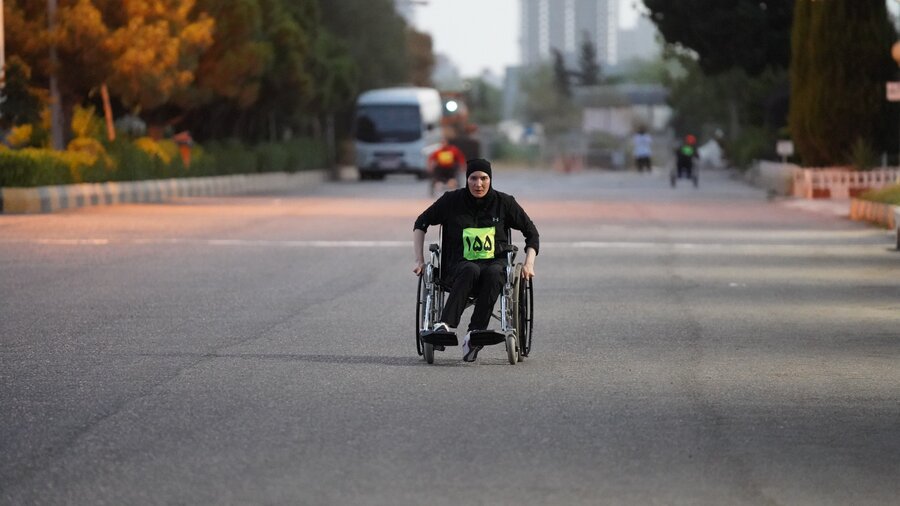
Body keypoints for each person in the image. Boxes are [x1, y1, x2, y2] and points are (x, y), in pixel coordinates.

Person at [413, 158, 539, 362]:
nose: (478, 184)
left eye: (483, 178)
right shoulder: (451, 201)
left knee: (494, 273)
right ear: (466, 179)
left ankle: (475, 334)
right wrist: (419, 260)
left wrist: (529, 264)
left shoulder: (504, 202)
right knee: (470, 269)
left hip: (494, 264)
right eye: (473, 178)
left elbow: (531, 233)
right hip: (458, 266)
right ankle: (444, 326)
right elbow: (421, 223)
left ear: (490, 179)